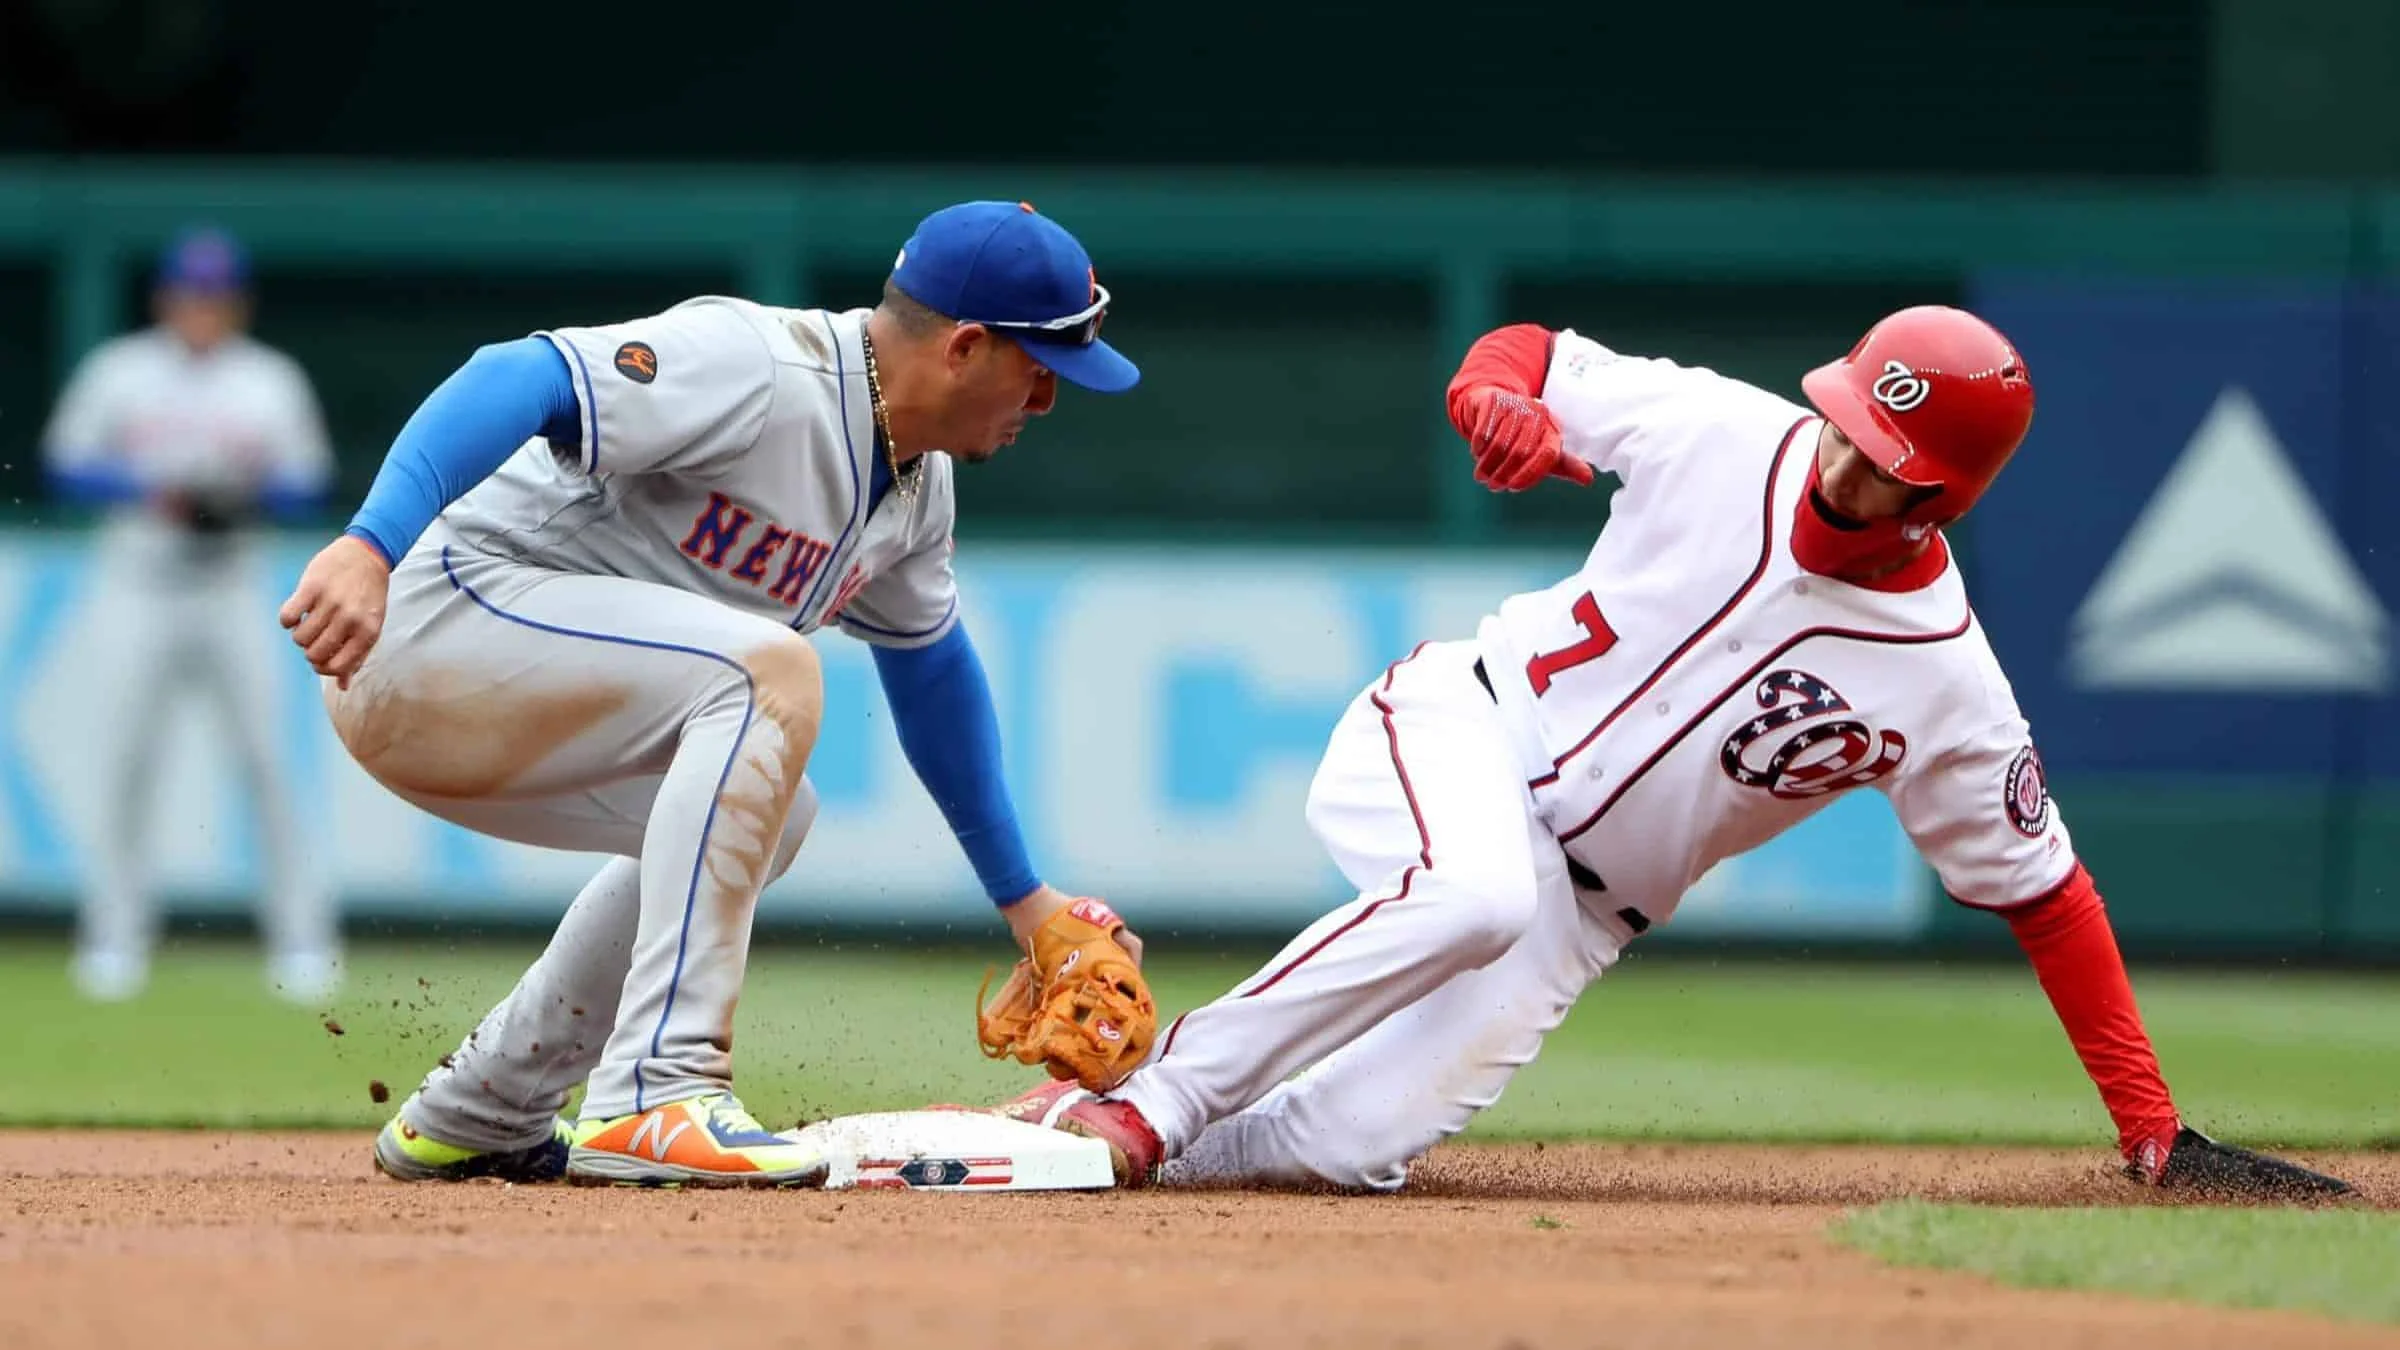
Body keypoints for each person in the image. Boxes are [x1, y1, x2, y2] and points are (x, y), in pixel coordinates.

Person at [993, 305, 2356, 1201]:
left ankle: (1065, 1133)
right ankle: (1157, 1101)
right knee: (1474, 888)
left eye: (1886, 453)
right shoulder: (1722, 429)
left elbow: (2045, 892)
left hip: (1584, 907)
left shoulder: (1948, 683)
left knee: (1349, 1141)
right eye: (1848, 418)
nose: (1844, 457)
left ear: (1944, 491)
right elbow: (1521, 349)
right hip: (1458, 723)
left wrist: (2152, 1119)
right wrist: (1492, 404)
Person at [277, 200, 1154, 1188]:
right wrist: (369, 544)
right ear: (964, 347)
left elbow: (933, 672)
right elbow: (516, 375)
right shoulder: (761, 368)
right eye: (1043, 369)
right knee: (768, 671)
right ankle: (658, 1089)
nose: (1047, 401)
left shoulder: (918, 489)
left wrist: (1028, 908)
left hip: (502, 704)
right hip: (428, 633)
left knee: (778, 806)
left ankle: (486, 1106)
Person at [40, 225, 340, 1004]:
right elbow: (64, 464)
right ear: (165, 296)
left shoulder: (268, 379)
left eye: (215, 293)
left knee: (270, 764)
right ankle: (113, 941)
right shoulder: (121, 370)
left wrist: (237, 499)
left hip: (233, 586)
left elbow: (309, 482)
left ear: (235, 302)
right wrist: (149, 492)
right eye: (190, 291)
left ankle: (304, 942)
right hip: (138, 580)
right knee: (126, 765)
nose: (202, 307)